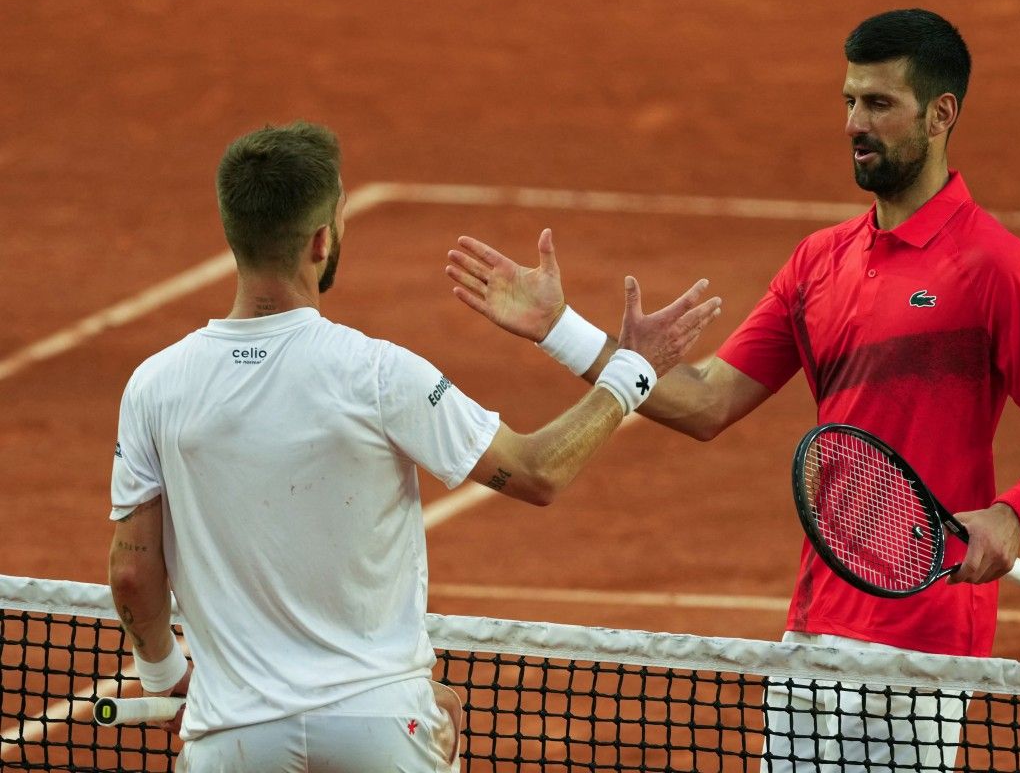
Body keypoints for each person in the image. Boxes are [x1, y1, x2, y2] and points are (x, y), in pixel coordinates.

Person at [444, 8, 1020, 771]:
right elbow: (706, 401)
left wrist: (1013, 515)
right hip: (816, 626)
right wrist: (561, 329)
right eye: (849, 101)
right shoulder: (819, 262)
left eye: (880, 104)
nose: (855, 124)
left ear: (941, 114)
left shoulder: (995, 267)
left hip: (925, 644)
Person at [107, 121, 722, 773]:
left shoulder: (155, 386)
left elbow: (132, 575)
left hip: (234, 739)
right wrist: (632, 372)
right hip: (378, 727)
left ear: (234, 233)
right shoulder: (377, 373)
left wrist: (164, 676)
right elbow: (537, 472)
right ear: (321, 240)